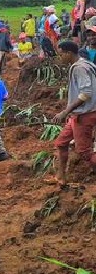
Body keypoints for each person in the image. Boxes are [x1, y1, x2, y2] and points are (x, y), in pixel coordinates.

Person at [53, 40, 96, 187]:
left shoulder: (79, 68)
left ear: (68, 53)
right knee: (61, 143)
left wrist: (66, 111)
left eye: (61, 55)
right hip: (78, 115)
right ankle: (61, 176)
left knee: (84, 152)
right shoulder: (87, 63)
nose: (60, 58)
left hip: (84, 115)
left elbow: (86, 94)